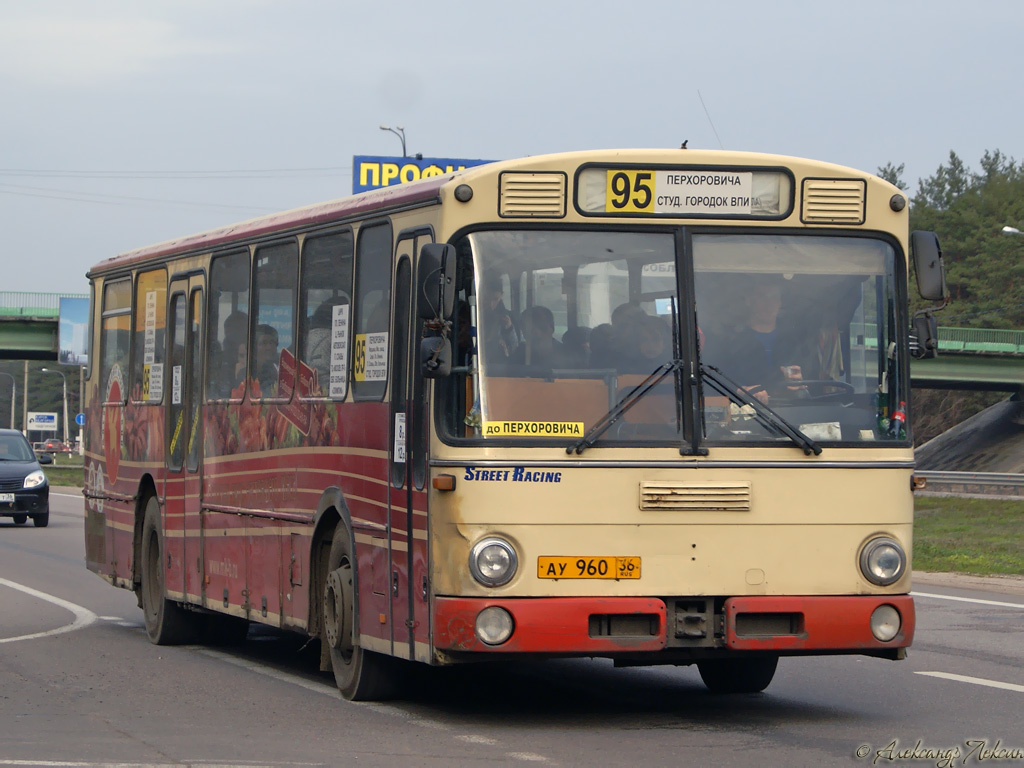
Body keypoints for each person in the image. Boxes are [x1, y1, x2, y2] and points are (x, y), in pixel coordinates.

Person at [711, 277, 806, 402]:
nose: (768, 304)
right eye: (762, 297)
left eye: (774, 298)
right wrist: (740, 390)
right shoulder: (730, 341)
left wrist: (802, 381)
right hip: (749, 414)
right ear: (749, 301)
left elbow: (816, 380)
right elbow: (715, 378)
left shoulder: (794, 341)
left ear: (780, 303)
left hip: (789, 413)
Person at [479, 274, 518, 362]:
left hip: (499, 366)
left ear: (501, 296)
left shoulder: (508, 318)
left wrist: (509, 329)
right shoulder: (470, 313)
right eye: (486, 298)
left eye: (495, 299)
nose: (490, 304)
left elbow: (514, 349)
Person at [254, 324, 280, 394]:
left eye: (271, 343)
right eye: (264, 343)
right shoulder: (245, 373)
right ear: (255, 347)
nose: (269, 347)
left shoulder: (281, 372)